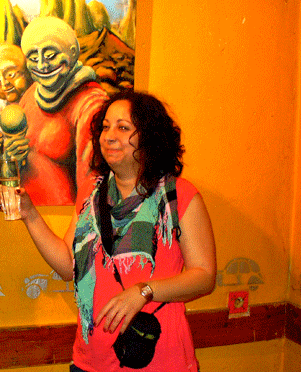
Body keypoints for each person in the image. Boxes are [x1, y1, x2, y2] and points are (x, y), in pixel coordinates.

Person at [17, 90, 216, 371]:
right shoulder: (91, 193)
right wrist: (29, 214)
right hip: (91, 362)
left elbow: (204, 276)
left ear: (149, 137)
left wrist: (144, 291)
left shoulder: (178, 195)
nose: (109, 136)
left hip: (159, 360)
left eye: (122, 128)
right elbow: (67, 265)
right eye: (105, 127)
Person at [16, 16, 108, 206]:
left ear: (72, 52)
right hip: (25, 212)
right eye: (33, 58)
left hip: (65, 217)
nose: (42, 65)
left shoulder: (90, 103)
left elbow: (91, 184)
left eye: (50, 55)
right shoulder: (31, 94)